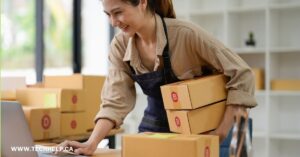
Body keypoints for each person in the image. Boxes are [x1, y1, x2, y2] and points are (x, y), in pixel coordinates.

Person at [55, 0, 257, 156]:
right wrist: (91, 144)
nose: (113, 22)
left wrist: (219, 134)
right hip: (157, 124)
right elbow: (115, 100)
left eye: (118, 12)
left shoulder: (185, 35)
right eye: (108, 14)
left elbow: (242, 74)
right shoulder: (120, 46)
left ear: (142, 3)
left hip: (211, 127)